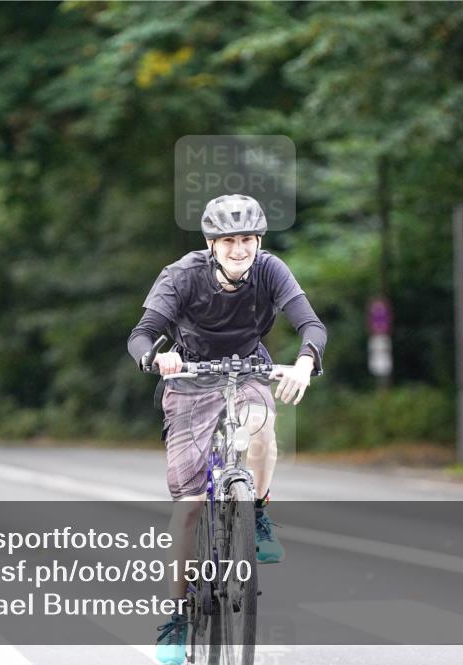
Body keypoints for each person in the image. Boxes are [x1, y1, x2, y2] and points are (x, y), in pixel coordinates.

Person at [127, 194, 327, 665]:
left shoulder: (270, 270)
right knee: (189, 508)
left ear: (259, 241)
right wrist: (157, 357)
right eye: (229, 241)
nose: (240, 250)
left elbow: (311, 325)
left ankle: (256, 509)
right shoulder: (181, 276)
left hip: (248, 370)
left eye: (248, 240)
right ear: (211, 244)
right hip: (189, 379)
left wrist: (304, 361)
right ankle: (178, 617)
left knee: (262, 424)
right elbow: (142, 333)